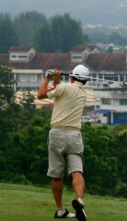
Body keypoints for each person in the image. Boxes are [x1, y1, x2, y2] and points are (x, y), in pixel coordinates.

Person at [37, 64, 90, 221]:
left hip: (57, 134)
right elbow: (59, 93)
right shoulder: (82, 93)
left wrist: (48, 77)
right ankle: (79, 200)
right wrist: (58, 79)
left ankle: (60, 209)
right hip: (74, 135)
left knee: (56, 175)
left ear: (72, 76)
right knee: (76, 172)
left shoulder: (65, 87)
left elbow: (40, 94)